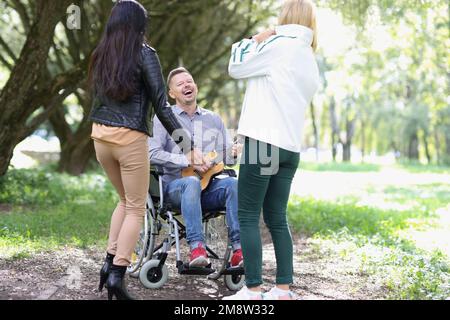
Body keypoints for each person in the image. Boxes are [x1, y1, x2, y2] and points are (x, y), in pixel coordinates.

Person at [88, 0, 202, 300]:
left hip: (100, 137)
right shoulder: (145, 53)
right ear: (140, 24)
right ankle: (117, 276)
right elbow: (163, 106)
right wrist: (187, 146)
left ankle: (107, 264)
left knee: (124, 201)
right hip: (129, 139)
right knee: (136, 207)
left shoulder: (102, 52)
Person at [223, 0, 320, 300]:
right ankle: (282, 289)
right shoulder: (308, 57)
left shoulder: (278, 45)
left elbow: (236, 66)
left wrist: (255, 39)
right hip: (290, 148)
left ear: (285, 16)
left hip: (262, 142)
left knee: (248, 216)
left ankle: (252, 289)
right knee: (277, 217)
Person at [149, 67, 243, 268]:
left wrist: (233, 153)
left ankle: (238, 250)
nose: (187, 85)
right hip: (174, 189)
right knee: (190, 181)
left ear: (196, 87)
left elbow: (226, 158)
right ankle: (197, 249)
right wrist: (186, 161)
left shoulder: (214, 119)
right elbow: (152, 154)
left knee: (233, 184)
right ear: (172, 94)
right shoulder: (163, 118)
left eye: (189, 81)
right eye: (180, 84)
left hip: (207, 188)